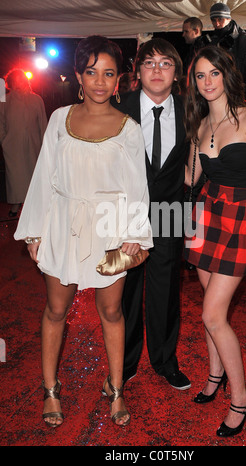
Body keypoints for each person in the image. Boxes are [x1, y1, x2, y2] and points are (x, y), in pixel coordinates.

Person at [14, 35, 153, 428]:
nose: (99, 81)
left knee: (111, 311)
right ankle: (51, 390)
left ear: (120, 80)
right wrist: (34, 231)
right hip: (62, 223)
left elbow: (137, 187)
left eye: (109, 73)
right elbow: (44, 177)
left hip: (111, 229)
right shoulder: (59, 118)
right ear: (78, 75)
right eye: (91, 72)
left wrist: (134, 235)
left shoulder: (128, 128)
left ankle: (116, 387)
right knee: (56, 309)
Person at [184, 46, 246, 437]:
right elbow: (188, 180)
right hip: (206, 216)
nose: (207, 82)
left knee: (212, 315)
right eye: (200, 76)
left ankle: (241, 398)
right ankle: (214, 375)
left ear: (226, 74)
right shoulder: (200, 125)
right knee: (209, 307)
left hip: (243, 218)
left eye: (213, 73)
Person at [111, 38, 190, 390]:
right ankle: (124, 364)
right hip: (122, 213)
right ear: (138, 72)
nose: (157, 70)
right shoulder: (117, 109)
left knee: (166, 291)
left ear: (177, 73)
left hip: (171, 211)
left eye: (165, 63)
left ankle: (164, 360)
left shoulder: (192, 111)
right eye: (149, 63)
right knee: (124, 291)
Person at [0, 68, 47, 217]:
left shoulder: (36, 99)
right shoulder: (4, 100)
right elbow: (1, 123)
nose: (19, 83)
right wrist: (4, 141)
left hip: (34, 144)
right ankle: (16, 203)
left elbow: (43, 123)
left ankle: (33, 205)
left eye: (21, 79)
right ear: (11, 83)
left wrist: (46, 145)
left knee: (34, 174)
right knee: (15, 176)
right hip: (13, 145)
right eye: (16, 80)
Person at [209, 2, 246, 71]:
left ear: (229, 19)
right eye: (213, 20)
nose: (217, 24)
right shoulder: (214, 38)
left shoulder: (241, 37)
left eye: (220, 19)